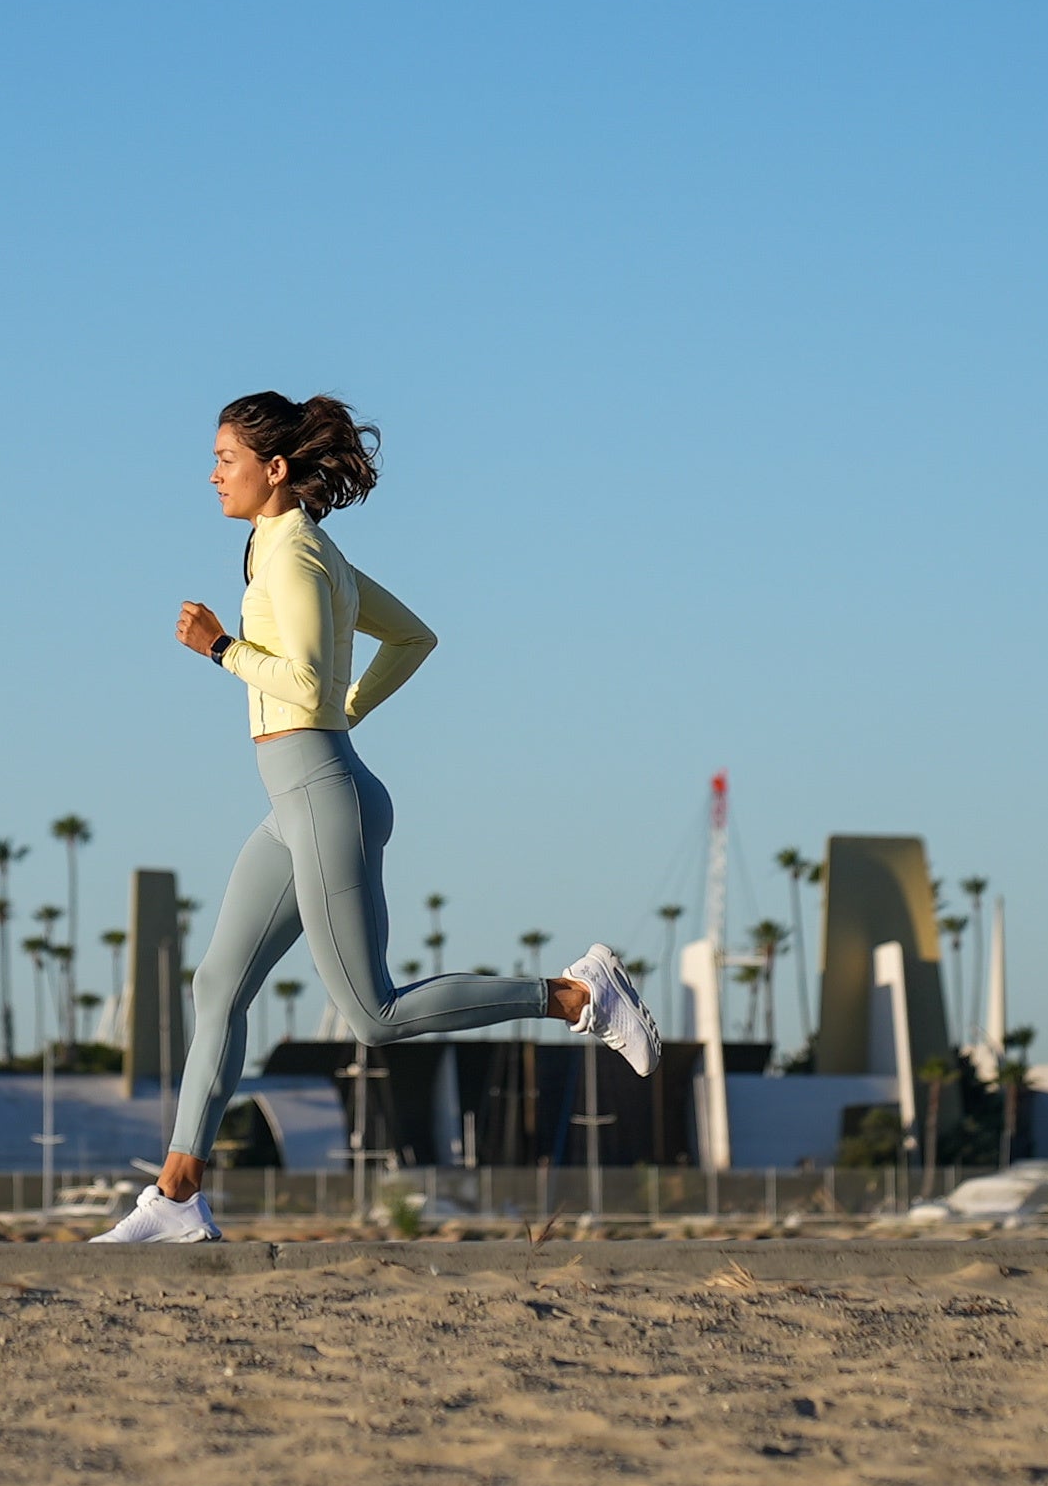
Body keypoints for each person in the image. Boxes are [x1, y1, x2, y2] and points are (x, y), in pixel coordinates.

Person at [94, 391, 656, 1245]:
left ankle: (577, 995)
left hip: (324, 798)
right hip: (298, 801)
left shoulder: (297, 556)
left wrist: (222, 649)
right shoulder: (288, 548)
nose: (212, 474)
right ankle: (176, 1197)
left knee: (373, 1015)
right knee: (218, 986)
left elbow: (306, 684)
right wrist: (344, 711)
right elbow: (412, 638)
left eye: (225, 459)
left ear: (273, 469)